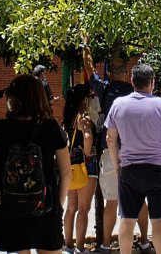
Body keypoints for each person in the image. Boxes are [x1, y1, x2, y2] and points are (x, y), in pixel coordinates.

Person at [0, 74, 70, 254]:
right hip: (45, 207)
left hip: (10, 208)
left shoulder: (0, 128)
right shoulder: (51, 127)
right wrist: (58, 206)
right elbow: (66, 173)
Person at [106, 64, 161, 254]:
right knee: (159, 222)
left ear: (132, 81)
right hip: (158, 169)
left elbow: (110, 138)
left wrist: (117, 165)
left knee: (127, 219)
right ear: (152, 83)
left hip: (129, 169)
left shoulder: (118, 104)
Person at [83, 48, 136, 251]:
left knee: (111, 202)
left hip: (108, 149)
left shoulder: (104, 88)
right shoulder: (135, 91)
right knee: (137, 202)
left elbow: (89, 68)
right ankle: (141, 242)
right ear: (126, 71)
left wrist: (85, 45)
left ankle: (105, 244)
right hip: (132, 151)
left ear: (110, 70)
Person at [64, 87, 98, 253]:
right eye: (89, 97)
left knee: (71, 207)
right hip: (86, 165)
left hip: (72, 164)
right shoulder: (83, 117)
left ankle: (68, 244)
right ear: (83, 100)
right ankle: (80, 247)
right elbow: (88, 136)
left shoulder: (70, 117)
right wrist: (88, 154)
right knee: (84, 208)